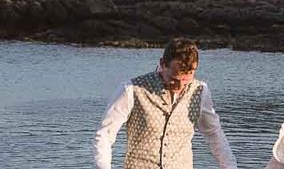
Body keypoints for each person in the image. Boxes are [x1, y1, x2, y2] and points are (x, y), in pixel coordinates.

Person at [93, 38, 237, 169]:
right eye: (174, 79)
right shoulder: (132, 90)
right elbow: (105, 135)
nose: (180, 86)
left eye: (186, 80)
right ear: (162, 64)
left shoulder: (200, 91)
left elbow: (214, 135)